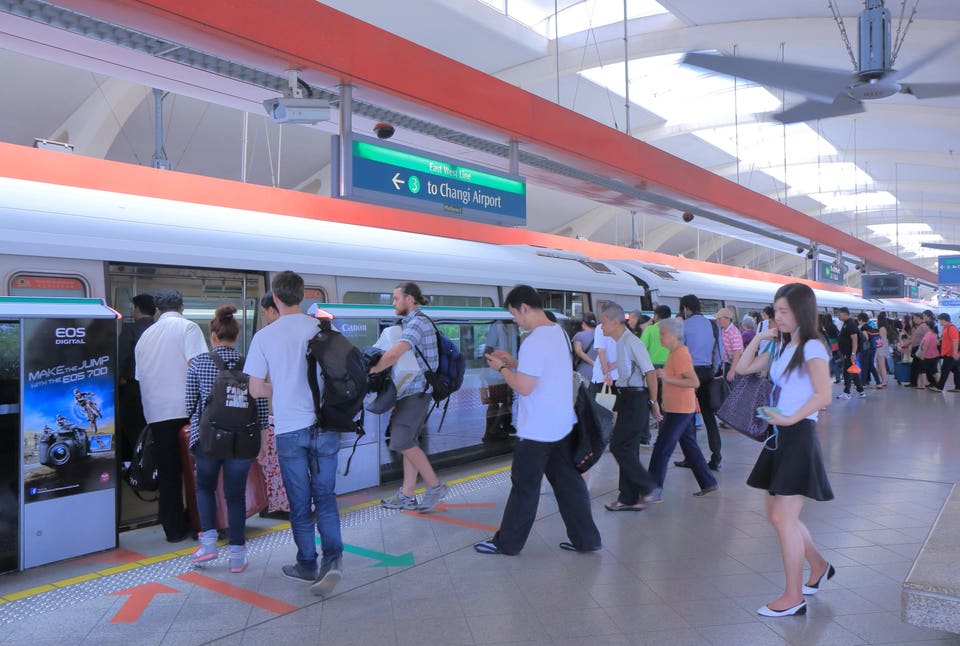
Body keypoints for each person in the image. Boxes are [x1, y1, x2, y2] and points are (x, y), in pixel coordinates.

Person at [474, 285, 601, 555]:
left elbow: (524, 387)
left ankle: (507, 544)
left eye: (514, 315)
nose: (515, 321)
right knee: (570, 486)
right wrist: (516, 362)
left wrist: (502, 368)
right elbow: (543, 372)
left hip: (537, 431)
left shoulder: (534, 340)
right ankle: (587, 540)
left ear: (524, 308)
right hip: (561, 425)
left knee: (524, 487)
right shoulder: (559, 333)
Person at [735, 283, 834, 618]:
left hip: (797, 435)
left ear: (802, 312)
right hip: (778, 436)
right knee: (779, 516)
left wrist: (790, 417)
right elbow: (742, 369)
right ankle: (819, 566)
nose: (776, 317)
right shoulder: (782, 345)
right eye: (775, 310)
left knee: (782, 517)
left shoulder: (812, 348)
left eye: (784, 312)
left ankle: (794, 597)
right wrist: (760, 338)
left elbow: (824, 395)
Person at [245, 271, 343, 596]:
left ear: (274, 297)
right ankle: (333, 562)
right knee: (326, 497)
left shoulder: (265, 337)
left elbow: (256, 389)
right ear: (303, 296)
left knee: (300, 503)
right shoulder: (323, 328)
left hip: (289, 430)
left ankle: (306, 564)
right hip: (325, 427)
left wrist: (282, 388)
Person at [185, 305, 269, 573]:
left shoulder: (199, 362)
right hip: (243, 441)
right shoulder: (251, 363)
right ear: (236, 336)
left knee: (205, 489)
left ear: (213, 335)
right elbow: (262, 406)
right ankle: (236, 555)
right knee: (235, 496)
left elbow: (189, 404)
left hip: (208, 439)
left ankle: (208, 545)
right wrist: (264, 440)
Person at [135, 289, 208, 542]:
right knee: (196, 471)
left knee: (169, 473)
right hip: (185, 411)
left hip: (156, 413)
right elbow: (198, 367)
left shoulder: (145, 336)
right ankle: (202, 524)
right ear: (182, 307)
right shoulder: (188, 328)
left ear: (157, 310)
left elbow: (139, 377)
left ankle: (174, 529)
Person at [370, 282, 448, 512]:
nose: (393, 303)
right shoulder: (411, 322)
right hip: (411, 393)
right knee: (408, 442)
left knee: (400, 441)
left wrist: (372, 370)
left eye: (396, 298)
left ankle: (435, 486)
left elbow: (396, 352)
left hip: (417, 393)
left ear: (410, 299)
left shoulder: (417, 322)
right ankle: (407, 494)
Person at [647, 316, 718, 501]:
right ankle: (708, 482)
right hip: (677, 408)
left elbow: (693, 382)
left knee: (662, 448)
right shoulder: (674, 353)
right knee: (690, 447)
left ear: (672, 335)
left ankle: (653, 489)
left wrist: (667, 378)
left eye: (663, 334)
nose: (661, 338)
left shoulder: (680, 353)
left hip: (680, 410)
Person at [599, 302, 660, 510]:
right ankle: (628, 497)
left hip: (636, 399)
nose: (601, 327)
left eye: (603, 323)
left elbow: (650, 373)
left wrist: (654, 402)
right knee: (629, 448)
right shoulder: (620, 342)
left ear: (615, 321)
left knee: (618, 445)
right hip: (627, 396)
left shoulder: (632, 342)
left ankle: (648, 485)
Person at [674, 294, 723, 471]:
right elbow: (719, 352)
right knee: (709, 417)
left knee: (688, 416)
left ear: (686, 309)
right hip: (708, 372)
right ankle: (716, 458)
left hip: (690, 373)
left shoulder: (684, 326)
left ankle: (691, 458)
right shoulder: (713, 325)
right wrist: (712, 369)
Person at [117, 293, 156, 462]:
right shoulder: (159, 329)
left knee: (132, 428)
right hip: (156, 388)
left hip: (132, 388)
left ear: (137, 309)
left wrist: (119, 378)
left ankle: (137, 466)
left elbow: (122, 357)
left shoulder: (130, 330)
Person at [482, 318, 518, 441]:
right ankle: (491, 431)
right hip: (496, 372)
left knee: (504, 401)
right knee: (497, 402)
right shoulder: (496, 326)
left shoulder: (512, 326)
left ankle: (496, 429)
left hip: (506, 371)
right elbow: (487, 350)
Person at [835, 307, 864, 400]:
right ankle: (861, 391)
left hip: (849, 353)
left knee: (847, 372)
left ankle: (846, 392)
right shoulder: (846, 324)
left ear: (845, 314)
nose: (838, 316)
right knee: (853, 372)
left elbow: (854, 340)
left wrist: (853, 354)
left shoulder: (850, 324)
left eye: (839, 314)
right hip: (847, 353)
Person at [932, 313, 960, 392]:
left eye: (940, 320)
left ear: (943, 320)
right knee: (956, 370)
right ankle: (958, 387)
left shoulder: (951, 328)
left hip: (950, 354)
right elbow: (945, 336)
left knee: (944, 370)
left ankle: (939, 387)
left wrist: (954, 352)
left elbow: (955, 341)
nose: (939, 322)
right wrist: (939, 340)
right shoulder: (946, 328)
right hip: (948, 353)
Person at [715, 307, 743, 382]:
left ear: (727, 319)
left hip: (733, 364)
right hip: (727, 363)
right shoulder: (724, 330)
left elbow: (737, 352)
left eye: (719, 319)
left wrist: (732, 370)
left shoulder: (733, 332)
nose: (717, 321)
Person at [572, 313, 598, 383]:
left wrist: (593, 363)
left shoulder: (579, 336)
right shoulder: (603, 336)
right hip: (599, 373)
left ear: (583, 324)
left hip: (583, 373)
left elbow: (578, 351)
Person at [857, 313, 882, 388]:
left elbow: (866, 338)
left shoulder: (863, 328)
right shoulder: (870, 327)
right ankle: (878, 382)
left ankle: (863, 384)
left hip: (866, 349)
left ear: (860, 320)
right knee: (871, 366)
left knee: (864, 366)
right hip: (873, 348)